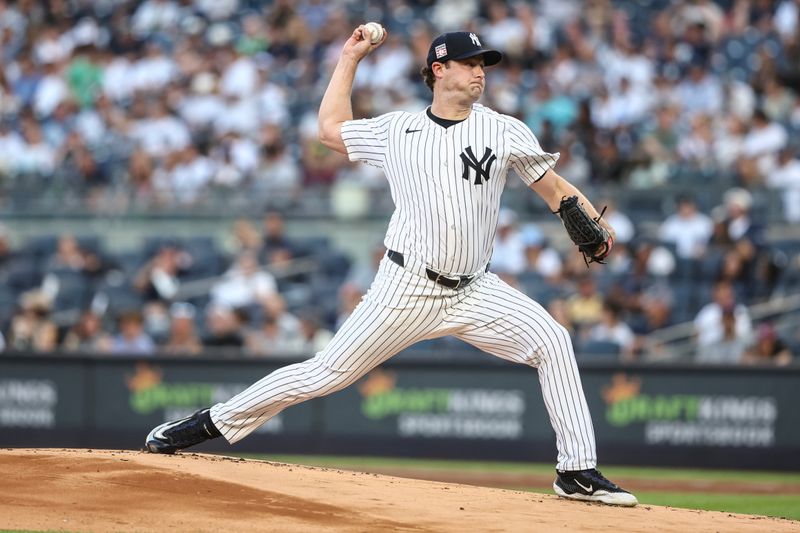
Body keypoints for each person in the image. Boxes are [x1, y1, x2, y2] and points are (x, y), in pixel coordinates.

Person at [145, 26, 636, 507]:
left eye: (483, 64)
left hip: (475, 288)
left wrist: (593, 220)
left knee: (553, 341)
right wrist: (349, 59)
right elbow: (328, 130)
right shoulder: (398, 130)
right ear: (439, 70)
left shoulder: (504, 129)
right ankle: (207, 423)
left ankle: (575, 471)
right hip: (406, 287)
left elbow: (555, 190)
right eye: (469, 63)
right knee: (324, 374)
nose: (479, 72)